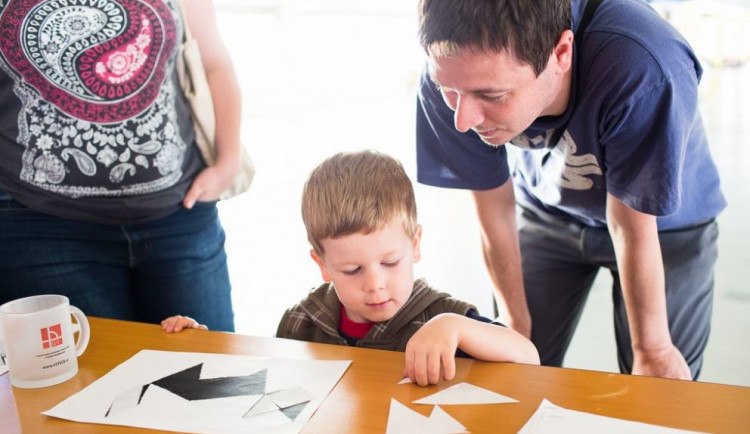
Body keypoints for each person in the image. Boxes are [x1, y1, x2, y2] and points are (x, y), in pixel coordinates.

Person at [415, 0, 726, 380]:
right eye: (449, 91)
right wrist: (514, 325)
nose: (463, 120)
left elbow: (630, 227)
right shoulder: (456, 76)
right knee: (507, 368)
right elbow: (493, 206)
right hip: (547, 207)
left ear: (561, 52)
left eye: (492, 96)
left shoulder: (645, 65)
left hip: (664, 225)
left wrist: (653, 347)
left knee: (660, 385)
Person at [164, 151, 539, 385]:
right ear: (322, 265)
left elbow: (528, 357)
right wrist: (202, 344)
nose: (375, 285)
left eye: (390, 262)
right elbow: (267, 386)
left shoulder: (444, 315)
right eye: (352, 270)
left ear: (416, 245)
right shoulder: (302, 321)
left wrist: (455, 328)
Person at [0, 0, 243, 331]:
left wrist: (228, 162)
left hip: (180, 219)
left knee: (210, 374)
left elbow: (214, 61)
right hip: (39, 229)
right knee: (87, 378)